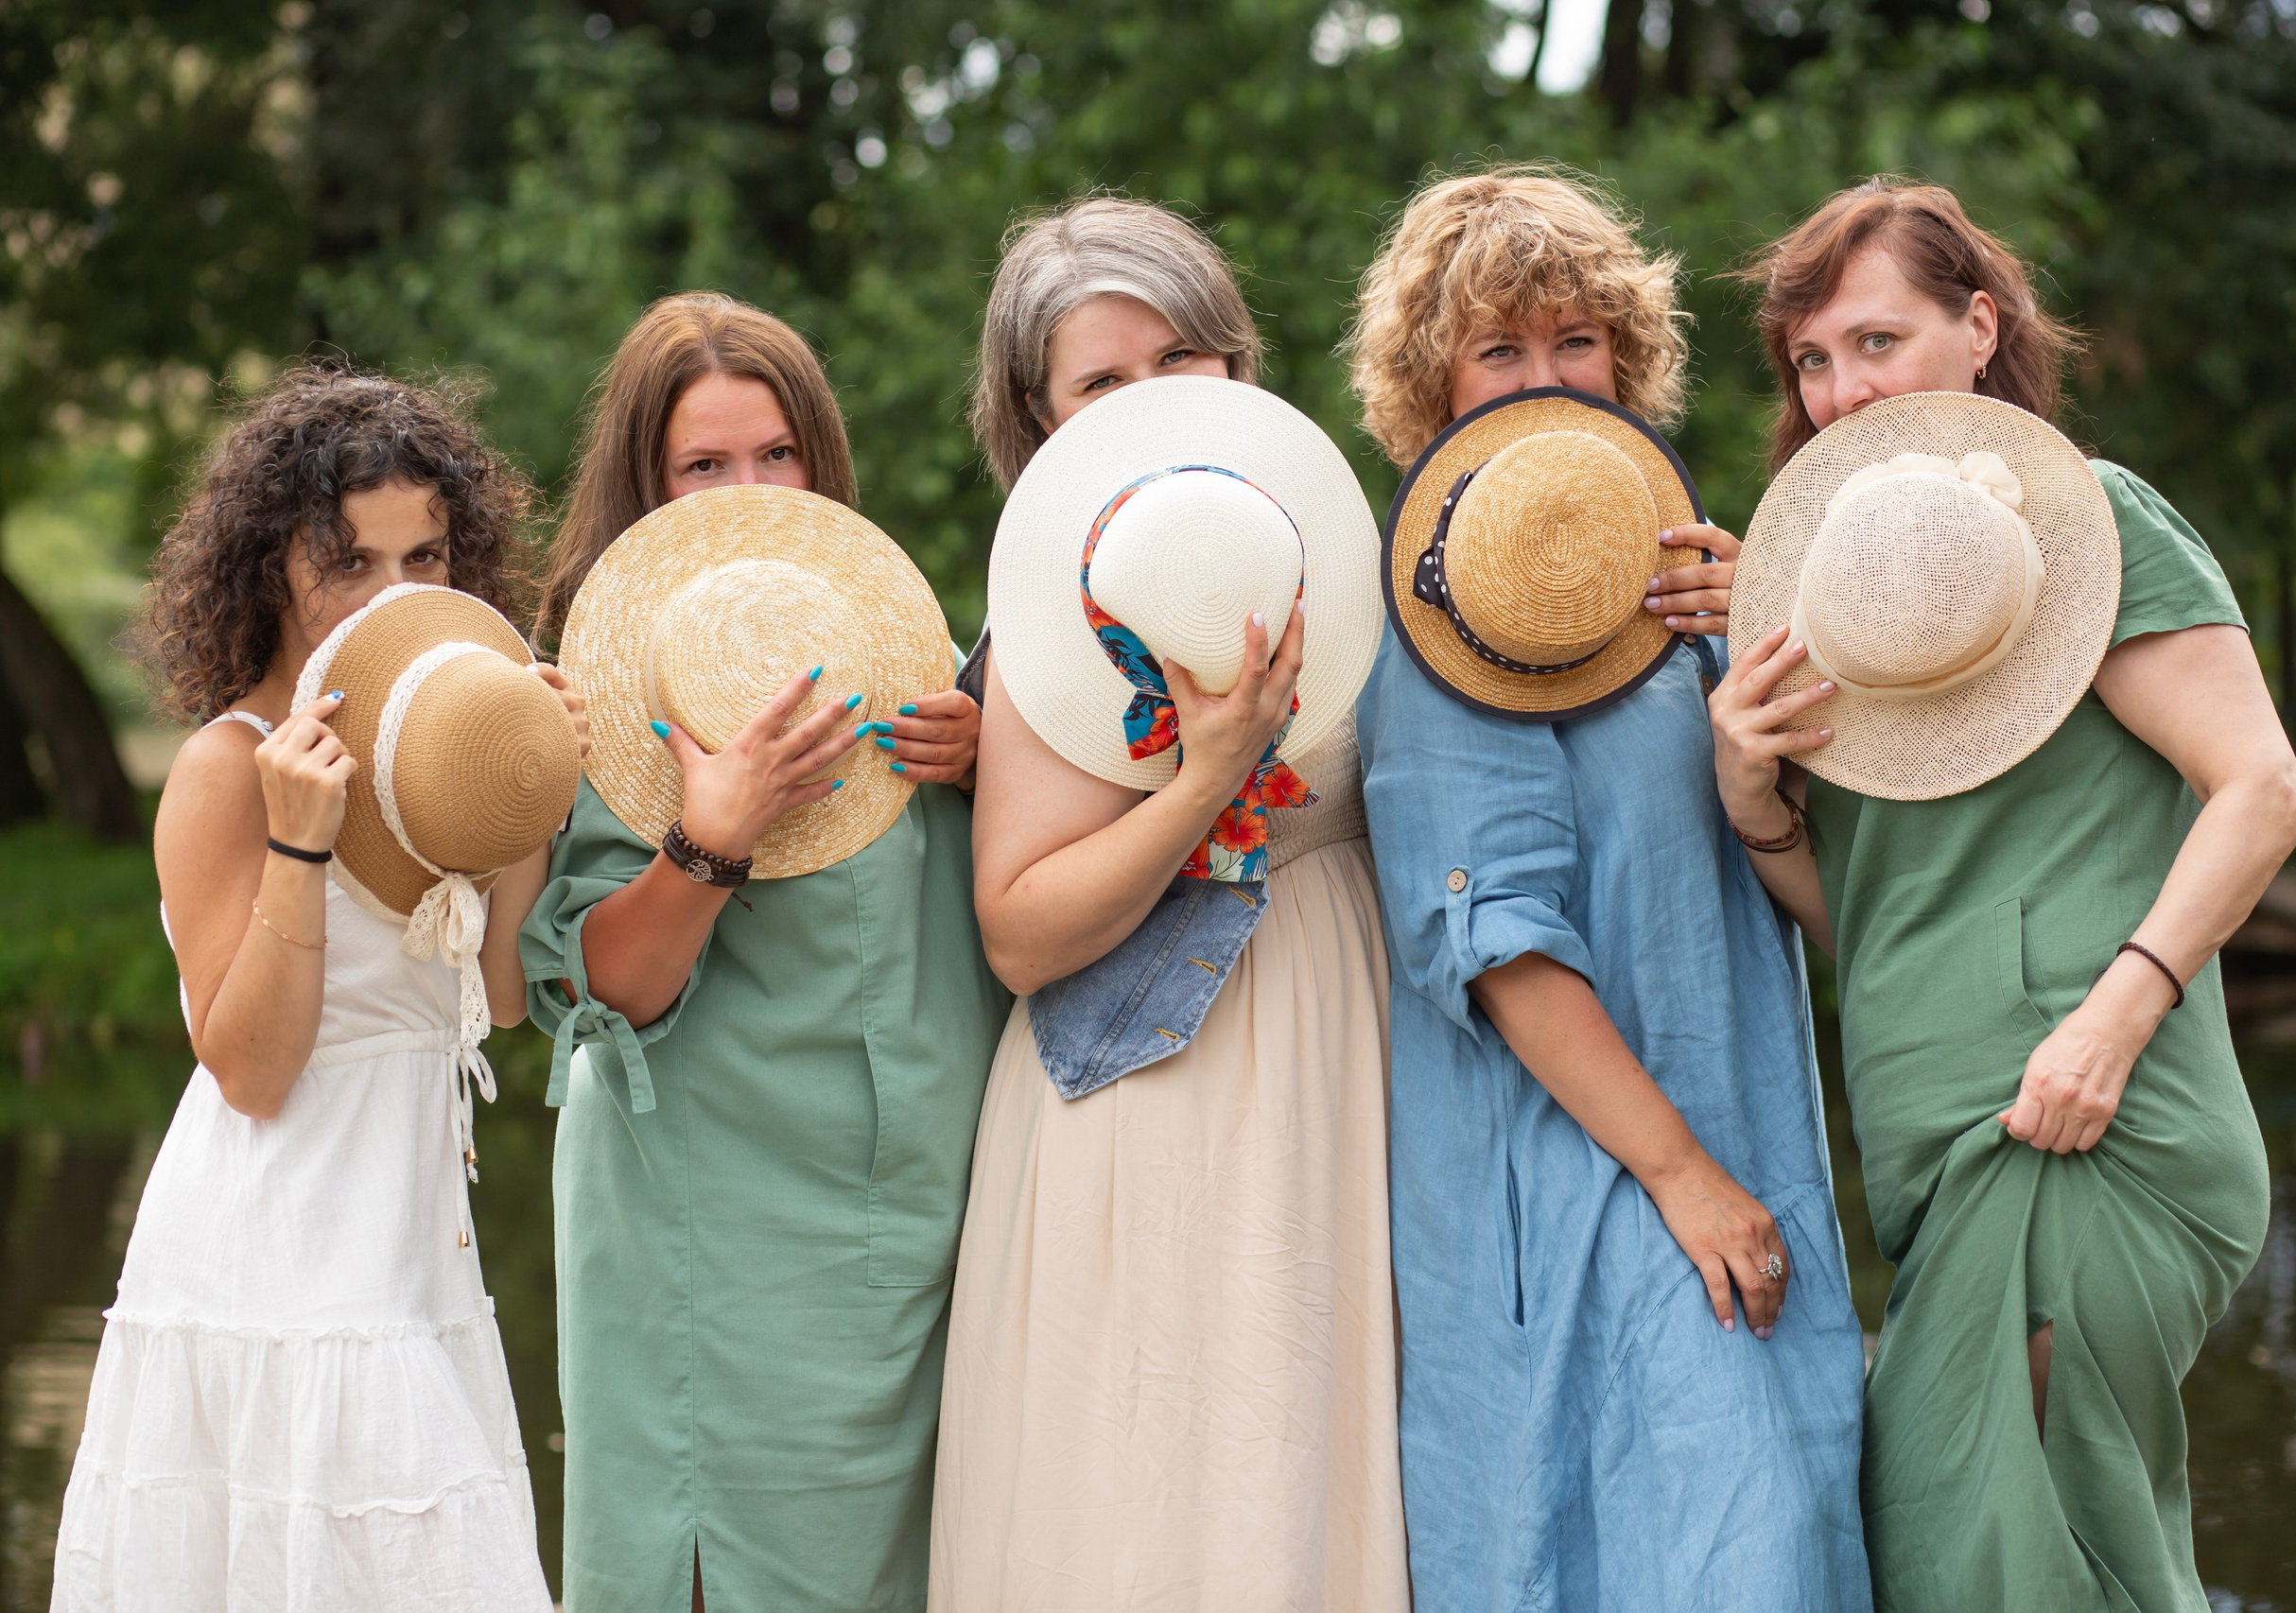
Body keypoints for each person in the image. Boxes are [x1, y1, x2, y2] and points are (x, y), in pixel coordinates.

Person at [1711, 177, 2296, 1611]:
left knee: (2015, 1566)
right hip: (1939, 1159)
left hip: (2084, 1128)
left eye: (1876, 340)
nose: (1840, 389)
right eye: (1811, 358)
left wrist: (2116, 1019)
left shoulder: (2089, 526)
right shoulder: (1852, 607)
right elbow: (1881, 918)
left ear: (1979, 326)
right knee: (1978, 1558)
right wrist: (1754, 809)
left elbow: (2266, 790)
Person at [1345, 165, 1871, 1611]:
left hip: (1741, 1123)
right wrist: (1681, 1175)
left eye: (1576, 339)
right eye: (1498, 348)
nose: (1546, 375)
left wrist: (1774, 609)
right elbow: (1500, 945)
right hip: (1588, 1174)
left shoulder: (1681, 585)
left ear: (1627, 358)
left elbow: (1831, 864)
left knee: (1787, 1508)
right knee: (1691, 1535)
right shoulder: (1446, 621)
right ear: (1433, 388)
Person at [930, 198, 1410, 1611]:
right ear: (1040, 413)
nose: (1145, 400)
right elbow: (1019, 928)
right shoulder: (1049, 620)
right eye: (1100, 379)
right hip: (1142, 1100)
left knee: (1307, 1481)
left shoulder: (1342, 553)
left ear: (1238, 365)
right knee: (1152, 1499)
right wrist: (1200, 785)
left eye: (1179, 356)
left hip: (1335, 1066)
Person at [53, 366, 582, 1612]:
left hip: (413, 1255)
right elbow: (249, 1065)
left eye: (426, 556)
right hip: (281, 1265)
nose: (395, 594)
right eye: (350, 560)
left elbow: (498, 996)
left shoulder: (436, 763)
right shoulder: (226, 768)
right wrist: (300, 845)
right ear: (272, 569)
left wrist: (530, 788)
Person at [519, 292, 1003, 1612]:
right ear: (645, 481)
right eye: (704, 463)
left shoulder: (904, 657)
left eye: (776, 453)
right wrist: (708, 839)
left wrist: (989, 765)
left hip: (920, 1234)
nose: (747, 486)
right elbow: (602, 987)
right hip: (711, 1240)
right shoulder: (594, 705)